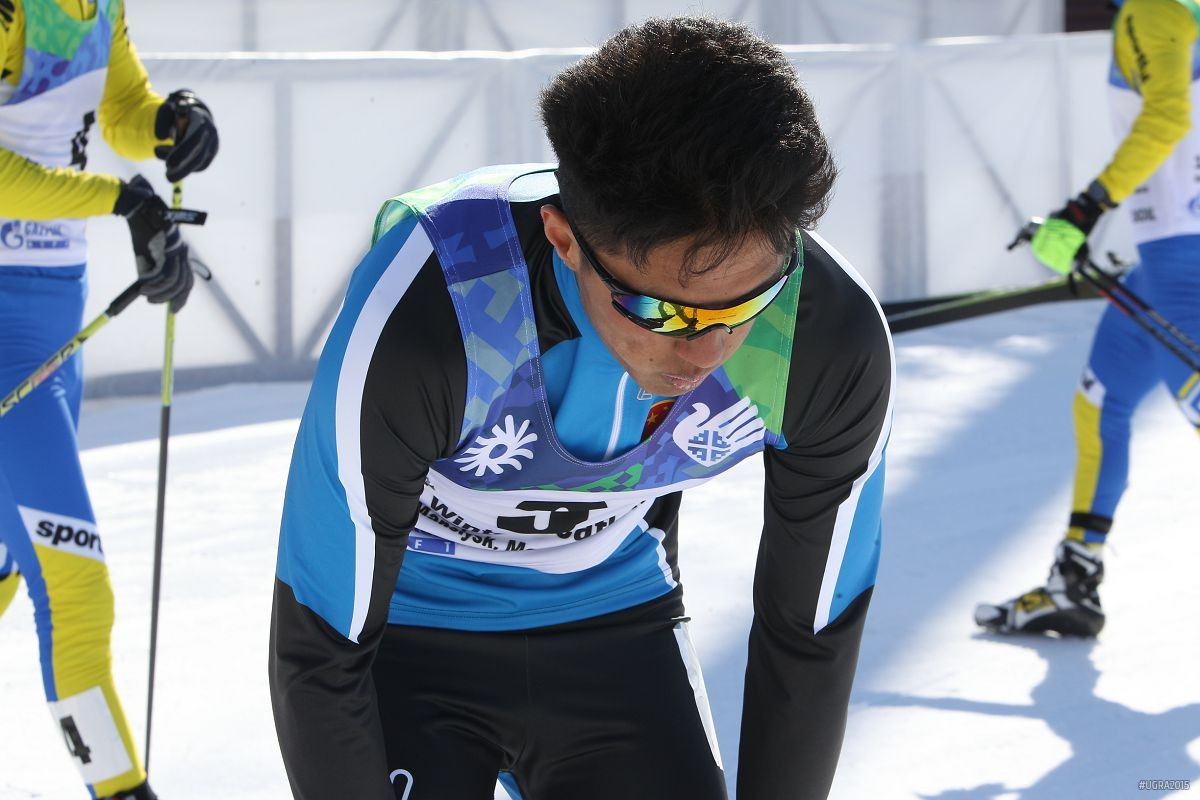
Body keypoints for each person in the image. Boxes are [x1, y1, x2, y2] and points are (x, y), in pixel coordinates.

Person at [270, 17, 893, 800]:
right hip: (407, 631)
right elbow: (319, 643)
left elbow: (812, 630)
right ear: (564, 239)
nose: (709, 352)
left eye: (748, 304)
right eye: (662, 312)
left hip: (615, 622)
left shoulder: (825, 336)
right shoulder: (439, 313)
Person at [0, 0, 217, 797]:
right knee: (73, 584)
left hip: (53, 314)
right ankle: (121, 789)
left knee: (8, 565)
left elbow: (120, 108)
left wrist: (169, 123)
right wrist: (122, 201)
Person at [976, 0, 1200, 637]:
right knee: (1100, 402)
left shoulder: (1151, 10)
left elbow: (1168, 114)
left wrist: (1085, 210)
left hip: (1181, 268)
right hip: (1161, 266)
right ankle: (1073, 579)